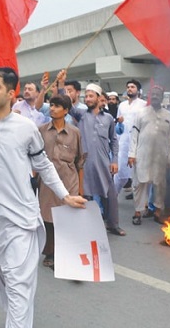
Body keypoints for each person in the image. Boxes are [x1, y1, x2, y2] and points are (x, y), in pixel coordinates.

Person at [0, 67, 86, 328]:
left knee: (19, 282)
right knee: (5, 282)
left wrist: (66, 196)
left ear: (12, 93)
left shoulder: (26, 128)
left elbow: (43, 165)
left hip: (21, 218)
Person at [62, 78, 123, 236]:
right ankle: (88, 227)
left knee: (109, 196)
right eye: (86, 96)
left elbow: (114, 141)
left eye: (90, 96)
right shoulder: (80, 114)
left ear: (98, 97)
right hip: (85, 164)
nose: (87, 99)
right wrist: (62, 85)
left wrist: (115, 160)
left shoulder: (108, 118)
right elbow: (67, 102)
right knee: (86, 195)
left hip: (104, 163)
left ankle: (113, 225)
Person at [37, 94, 84, 268]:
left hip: (69, 180)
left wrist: (80, 189)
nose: (52, 109)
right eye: (52, 105)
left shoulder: (75, 132)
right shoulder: (41, 130)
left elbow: (80, 161)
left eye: (57, 106)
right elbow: (34, 157)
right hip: (47, 183)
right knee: (48, 217)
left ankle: (66, 252)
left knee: (66, 218)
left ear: (66, 111)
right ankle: (49, 252)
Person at [128, 86, 170, 225]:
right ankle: (138, 211)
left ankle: (158, 211)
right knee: (139, 183)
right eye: (153, 94)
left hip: (160, 156)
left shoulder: (168, 115)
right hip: (142, 154)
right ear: (149, 96)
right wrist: (132, 154)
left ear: (162, 97)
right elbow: (134, 134)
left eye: (158, 94)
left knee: (160, 184)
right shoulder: (141, 113)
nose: (155, 96)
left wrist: (169, 156)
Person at [114, 80, 146, 200]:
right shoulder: (122, 105)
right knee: (120, 173)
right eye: (128, 87)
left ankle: (141, 205)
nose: (129, 89)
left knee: (139, 175)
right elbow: (118, 127)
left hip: (138, 143)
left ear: (138, 90)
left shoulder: (143, 104)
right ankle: (112, 198)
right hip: (123, 142)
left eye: (132, 87)